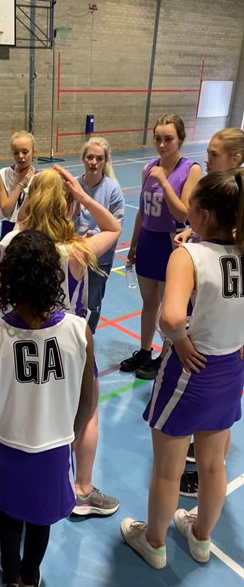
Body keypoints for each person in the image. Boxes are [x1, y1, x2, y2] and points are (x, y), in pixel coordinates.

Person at [120, 168, 244, 569]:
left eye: (191, 204)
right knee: (212, 464)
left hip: (191, 370)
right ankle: (201, 537)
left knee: (168, 470)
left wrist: (183, 344)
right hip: (230, 370)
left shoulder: (186, 256)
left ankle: (153, 542)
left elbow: (171, 319)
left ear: (203, 214)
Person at [0, 167, 121, 516]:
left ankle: (16, 479)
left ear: (31, 201)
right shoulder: (76, 250)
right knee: (87, 413)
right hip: (70, 347)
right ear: (68, 206)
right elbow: (114, 227)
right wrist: (83, 197)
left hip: (20, 343)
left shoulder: (10, 245)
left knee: (22, 413)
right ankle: (81, 488)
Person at [0, 230, 94, 587]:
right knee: (40, 520)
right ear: (53, 276)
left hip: (9, 444)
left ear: (7, 279)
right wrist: (69, 435)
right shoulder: (79, 331)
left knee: (9, 516)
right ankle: (30, 574)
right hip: (55, 445)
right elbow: (86, 401)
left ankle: (11, 577)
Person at [174, 127, 244, 498]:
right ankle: (207, 466)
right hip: (225, 331)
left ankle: (206, 473)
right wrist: (196, 235)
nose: (207, 158)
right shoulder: (228, 200)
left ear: (235, 159)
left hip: (227, 340)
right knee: (219, 407)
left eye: (214, 154)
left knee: (221, 413)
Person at [120, 114, 202, 380]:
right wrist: (133, 246)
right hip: (147, 241)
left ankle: (165, 356)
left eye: (168, 139)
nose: (162, 145)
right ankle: (145, 351)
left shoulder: (190, 169)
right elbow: (141, 213)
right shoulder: (149, 168)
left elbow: (183, 215)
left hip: (172, 244)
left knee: (169, 307)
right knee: (149, 302)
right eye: (158, 139)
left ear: (180, 140)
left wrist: (165, 183)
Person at [72, 136, 124, 333]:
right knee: (70, 300)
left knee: (91, 305)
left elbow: (115, 225)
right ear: (83, 158)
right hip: (74, 255)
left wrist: (91, 235)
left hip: (99, 259)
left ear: (106, 161)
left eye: (99, 158)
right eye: (90, 157)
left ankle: (87, 342)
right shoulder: (73, 185)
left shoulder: (113, 189)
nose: (94, 162)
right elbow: (65, 218)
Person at [0, 131, 37, 321]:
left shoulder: (40, 178)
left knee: (25, 286)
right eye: (16, 152)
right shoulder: (4, 174)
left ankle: (22, 325)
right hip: (7, 232)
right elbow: (6, 210)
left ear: (33, 151)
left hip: (28, 233)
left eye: (25, 152)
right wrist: (20, 183)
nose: (21, 156)